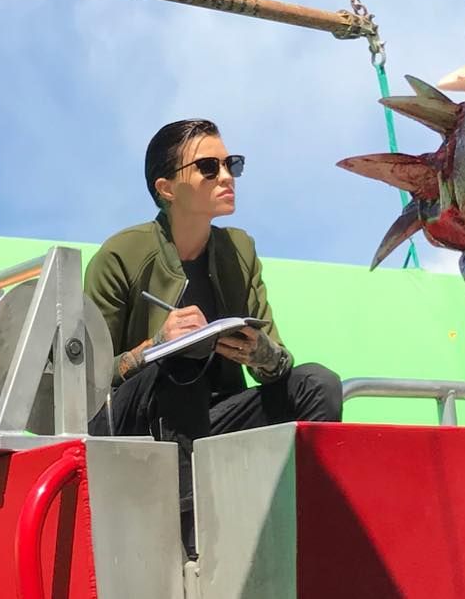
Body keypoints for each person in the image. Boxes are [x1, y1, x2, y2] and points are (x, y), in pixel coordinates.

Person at [84, 118, 342, 535]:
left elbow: (280, 363)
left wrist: (263, 354)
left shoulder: (239, 250)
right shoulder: (121, 255)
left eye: (231, 164)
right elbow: (87, 383)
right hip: (134, 428)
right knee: (181, 361)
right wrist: (155, 347)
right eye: (208, 167)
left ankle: (311, 530)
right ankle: (192, 543)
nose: (226, 176)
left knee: (318, 384)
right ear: (166, 188)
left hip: (213, 420)